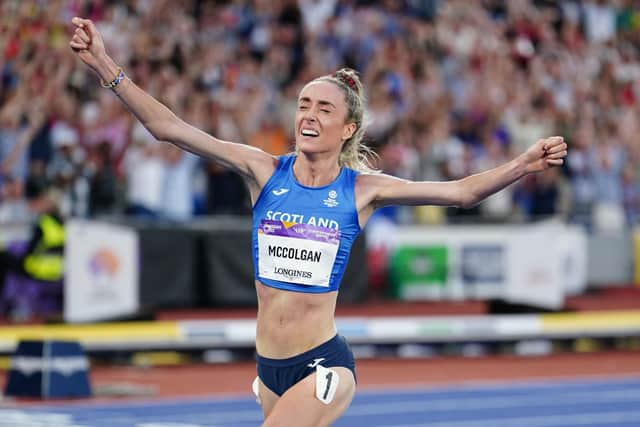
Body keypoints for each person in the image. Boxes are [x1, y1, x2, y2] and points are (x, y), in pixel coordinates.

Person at [69, 17, 568, 426]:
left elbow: (461, 193)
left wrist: (521, 164)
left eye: (323, 108)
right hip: (269, 368)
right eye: (303, 104)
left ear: (347, 127)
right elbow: (167, 128)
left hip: (322, 363)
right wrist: (104, 64)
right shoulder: (263, 170)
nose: (308, 114)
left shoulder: (363, 190)